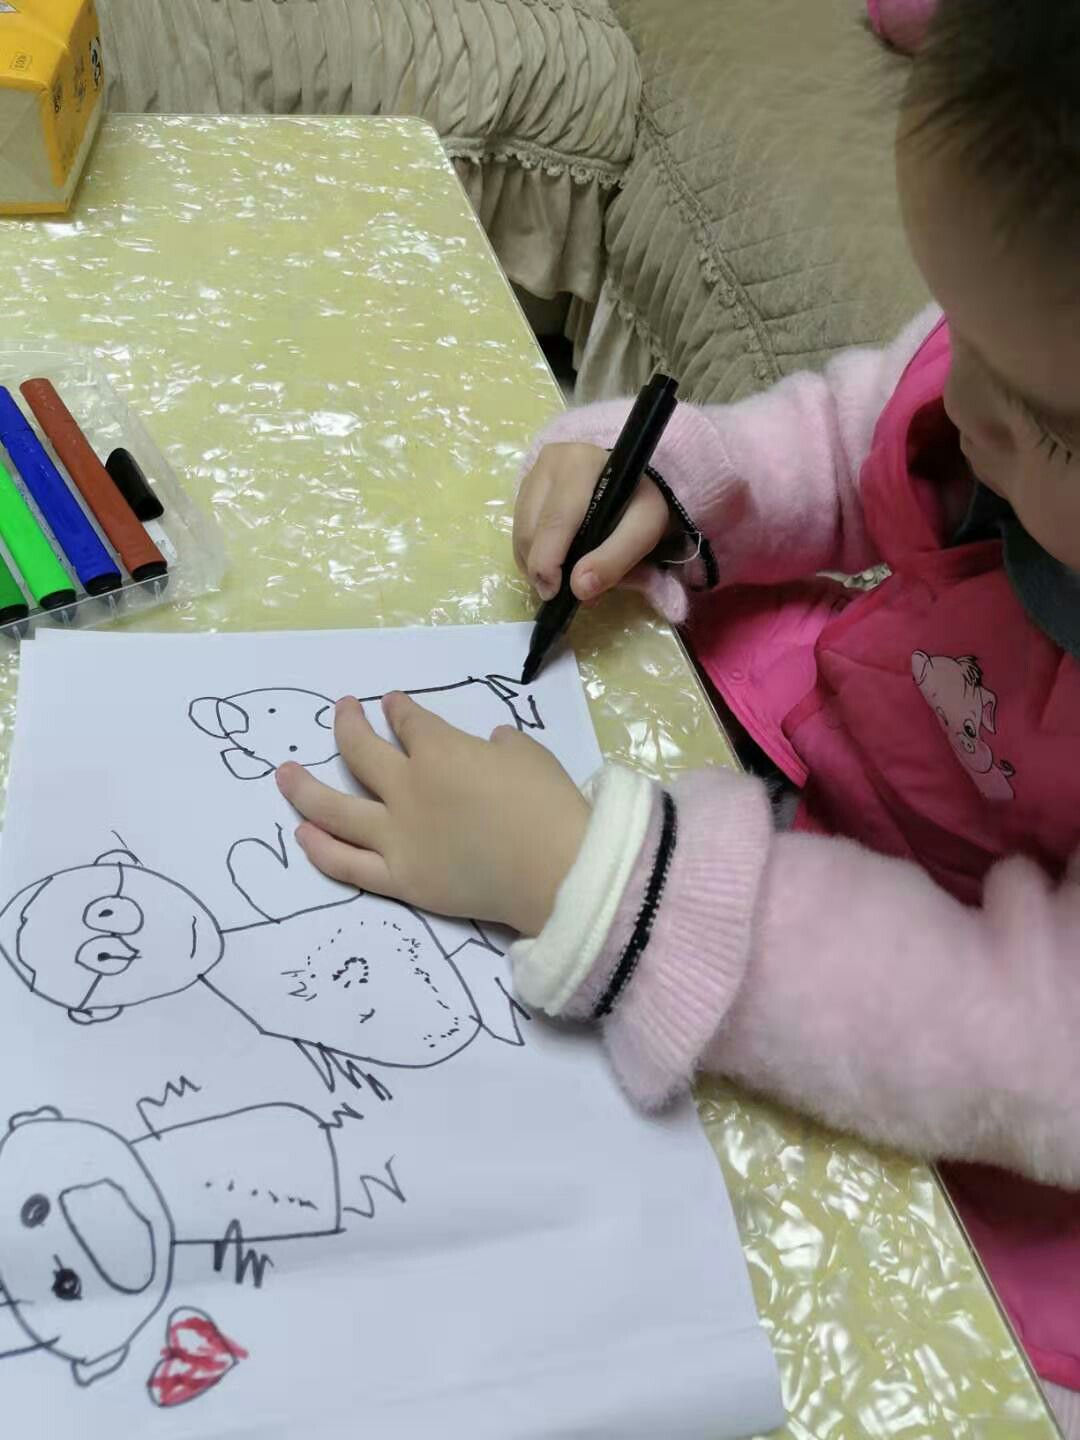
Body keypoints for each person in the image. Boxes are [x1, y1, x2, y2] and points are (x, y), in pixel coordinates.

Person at [275, 1, 1080, 1429]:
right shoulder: (1004, 371)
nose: (961, 398)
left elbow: (1018, 1046)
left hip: (981, 1112)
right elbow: (864, 434)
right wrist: (689, 481)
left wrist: (607, 889)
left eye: (1041, 417)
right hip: (848, 755)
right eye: (957, 325)